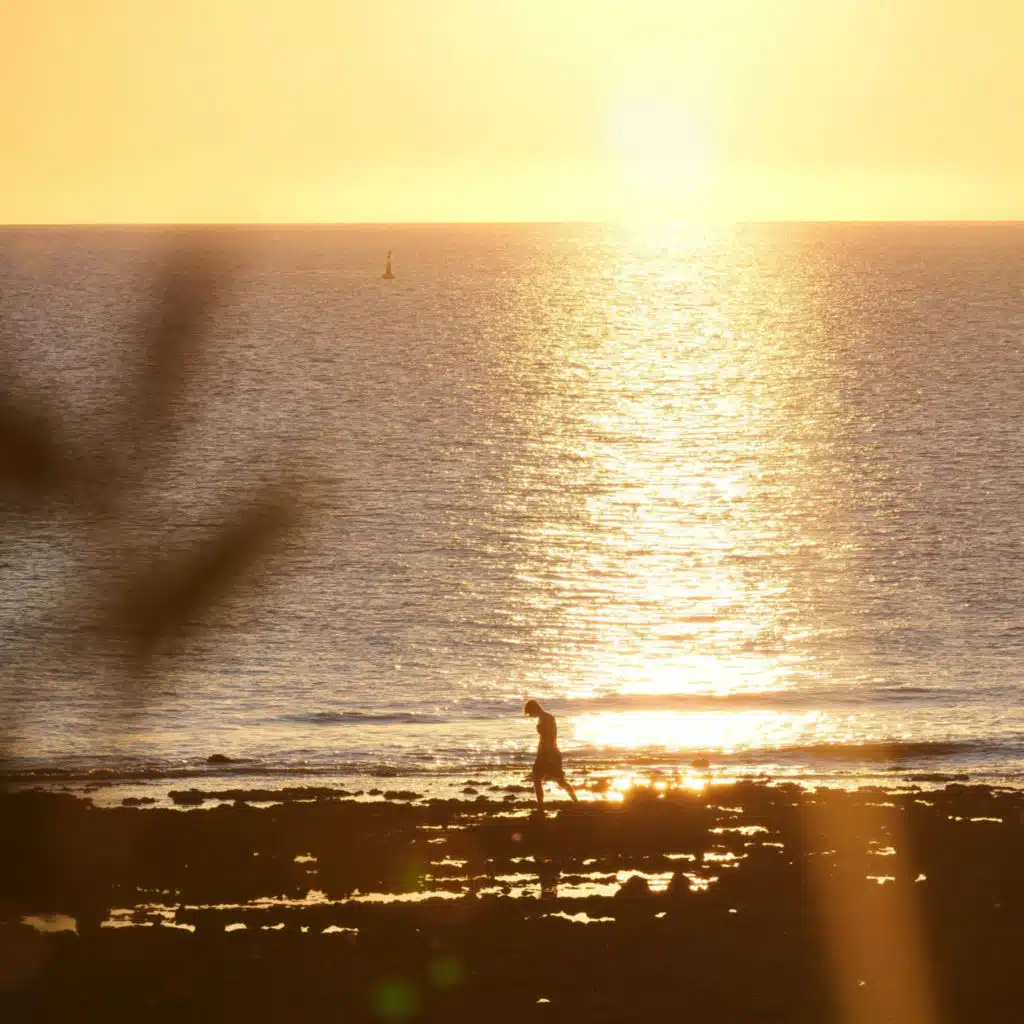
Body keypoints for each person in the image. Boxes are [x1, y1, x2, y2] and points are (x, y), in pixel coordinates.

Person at [524, 699, 578, 809]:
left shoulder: (547, 718)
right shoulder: (543, 718)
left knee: (558, 780)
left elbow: (550, 737)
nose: (530, 716)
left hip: (549, 753)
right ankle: (541, 804)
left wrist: (548, 756)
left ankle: (575, 802)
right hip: (546, 753)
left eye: (529, 713)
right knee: (539, 778)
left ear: (534, 709)